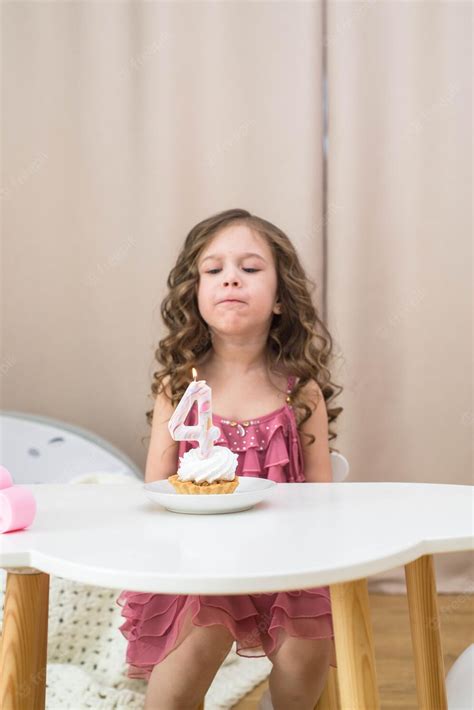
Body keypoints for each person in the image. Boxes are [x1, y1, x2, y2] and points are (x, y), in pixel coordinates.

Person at [116, 208, 344, 710]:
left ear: (281, 298)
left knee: (305, 660)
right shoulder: (178, 388)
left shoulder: (299, 393)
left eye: (250, 268)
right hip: (201, 565)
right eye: (213, 270)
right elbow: (157, 492)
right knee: (179, 677)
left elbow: (323, 502)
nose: (231, 279)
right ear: (194, 294)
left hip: (290, 564)